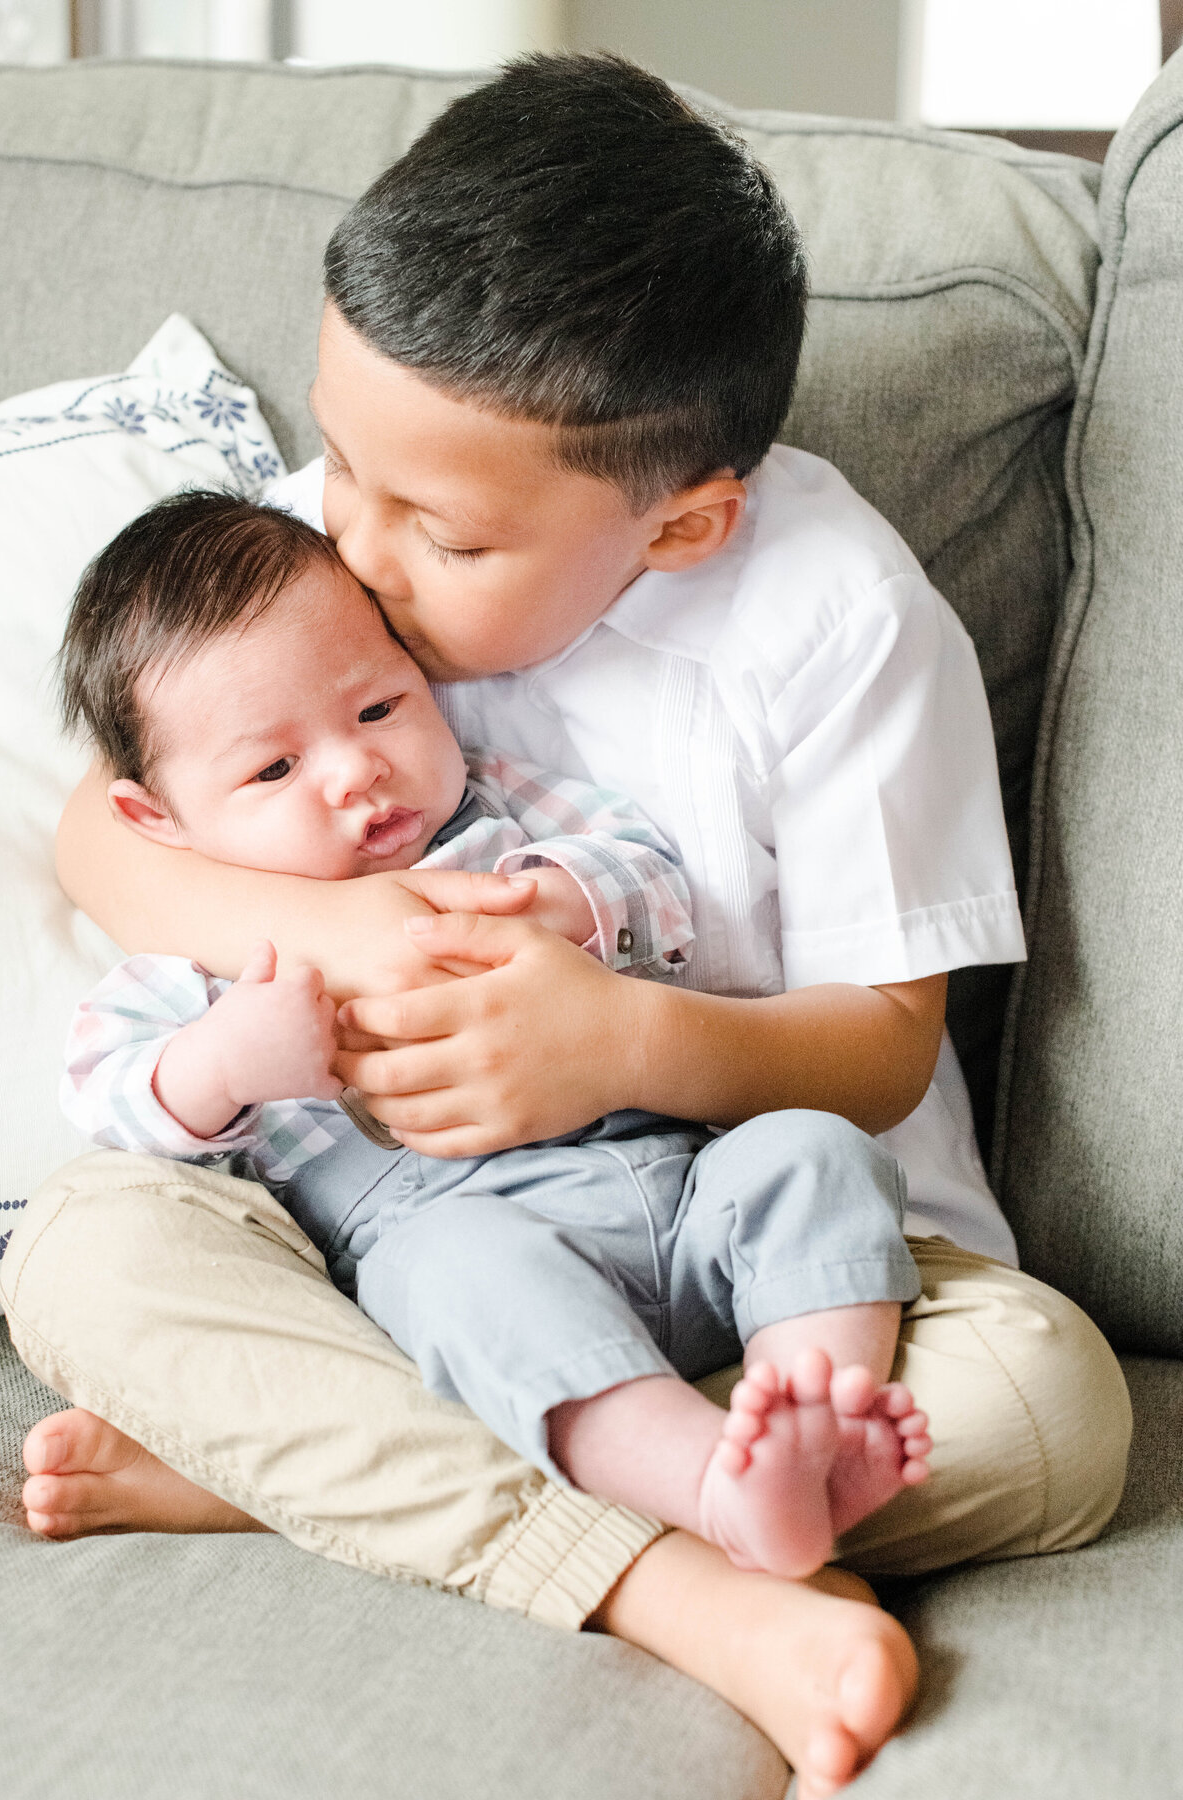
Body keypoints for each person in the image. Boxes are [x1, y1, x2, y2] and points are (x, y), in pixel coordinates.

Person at [0, 53, 1131, 1800]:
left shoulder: (839, 627)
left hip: (765, 1277)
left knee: (1057, 1418)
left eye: (432, 531)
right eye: (341, 461)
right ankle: (685, 1581)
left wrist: (618, 1041)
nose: (351, 551)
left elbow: (887, 1042)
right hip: (415, 1243)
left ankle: (316, 1463)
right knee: (84, 1252)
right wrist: (360, 934)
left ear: (679, 526)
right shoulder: (341, 526)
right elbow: (109, 830)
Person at [57, 486, 931, 1580]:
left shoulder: (504, 819)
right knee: (456, 1275)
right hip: (469, 1237)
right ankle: (705, 1478)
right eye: (274, 771)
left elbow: (653, 877)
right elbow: (105, 1088)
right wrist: (225, 1060)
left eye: (379, 709)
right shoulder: (197, 963)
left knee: (814, 1151)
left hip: (678, 1182)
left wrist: (566, 900)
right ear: (160, 821)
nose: (353, 770)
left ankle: (816, 1411)